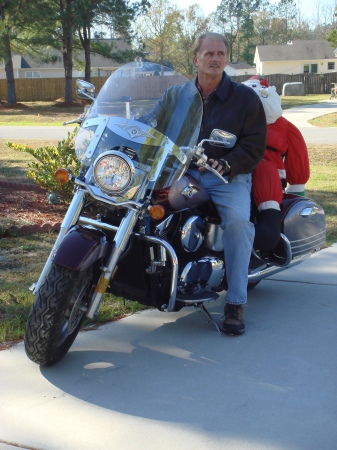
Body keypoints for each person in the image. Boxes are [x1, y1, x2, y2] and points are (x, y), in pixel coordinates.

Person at [188, 32, 267, 334]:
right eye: (209, 53)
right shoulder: (181, 94)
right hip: (185, 170)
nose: (215, 58)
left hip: (226, 176)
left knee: (235, 222)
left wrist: (230, 162)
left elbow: (255, 145)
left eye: (221, 53)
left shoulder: (244, 98)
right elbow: (158, 122)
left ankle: (234, 302)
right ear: (195, 58)